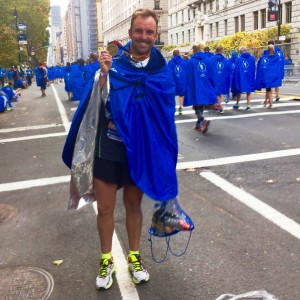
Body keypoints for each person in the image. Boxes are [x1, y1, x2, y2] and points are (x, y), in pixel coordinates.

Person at [62, 8, 179, 290]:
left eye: (149, 32)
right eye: (139, 31)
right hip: (109, 146)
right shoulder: (112, 65)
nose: (144, 36)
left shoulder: (161, 70)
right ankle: (106, 260)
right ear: (129, 34)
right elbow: (95, 106)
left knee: (133, 206)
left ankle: (134, 257)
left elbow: (163, 115)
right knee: (104, 208)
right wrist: (103, 76)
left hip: (139, 149)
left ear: (156, 35)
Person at [184, 44, 217, 133]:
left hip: (196, 87)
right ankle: (198, 125)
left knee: (196, 106)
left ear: (193, 51)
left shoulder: (191, 61)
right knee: (201, 105)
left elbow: (188, 76)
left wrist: (188, 88)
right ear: (200, 50)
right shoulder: (207, 60)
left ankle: (202, 120)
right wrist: (212, 85)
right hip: (206, 86)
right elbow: (211, 74)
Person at [256, 44, 282, 109]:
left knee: (268, 89)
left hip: (266, 76)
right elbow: (279, 66)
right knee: (268, 90)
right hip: (273, 75)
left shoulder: (264, 57)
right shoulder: (276, 57)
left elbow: (260, 67)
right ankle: (266, 101)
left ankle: (270, 103)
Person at [232, 46, 256, 111]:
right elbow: (253, 68)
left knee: (239, 90)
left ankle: (237, 103)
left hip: (241, 76)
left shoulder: (238, 59)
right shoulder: (252, 58)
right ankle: (248, 105)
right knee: (248, 91)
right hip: (249, 76)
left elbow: (236, 70)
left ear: (240, 51)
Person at [209, 46, 231, 114]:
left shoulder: (211, 59)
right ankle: (218, 105)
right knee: (218, 93)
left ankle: (220, 107)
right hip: (222, 78)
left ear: (215, 51)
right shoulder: (225, 60)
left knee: (216, 93)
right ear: (222, 51)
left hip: (214, 78)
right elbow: (228, 70)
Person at [168, 49, 187, 115]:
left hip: (173, 81)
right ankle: (180, 107)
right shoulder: (184, 62)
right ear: (179, 54)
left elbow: (168, 72)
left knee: (172, 95)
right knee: (181, 95)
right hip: (182, 80)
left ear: (173, 55)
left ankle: (173, 108)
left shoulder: (170, 62)